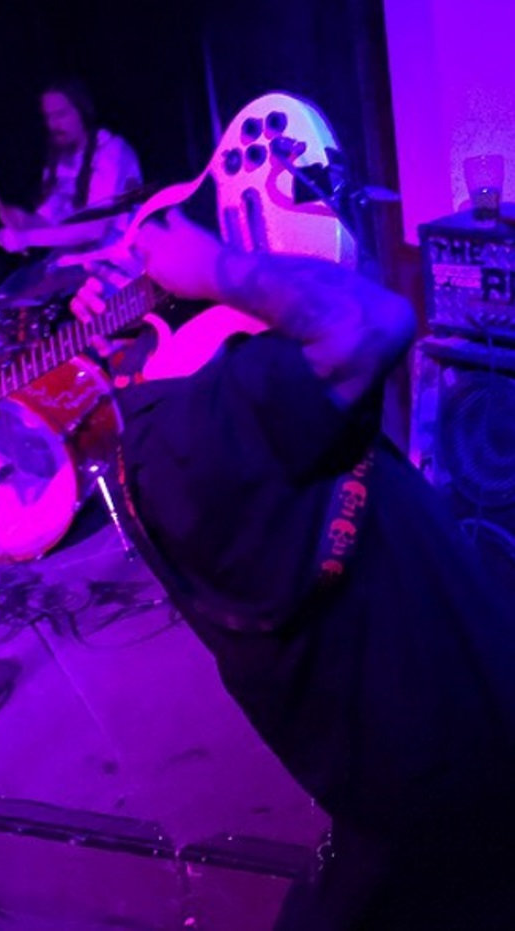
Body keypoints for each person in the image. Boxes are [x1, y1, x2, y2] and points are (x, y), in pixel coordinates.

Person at [70, 210, 515, 930]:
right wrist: (213, 269)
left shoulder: (161, 458)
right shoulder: (208, 422)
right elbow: (370, 320)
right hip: (466, 771)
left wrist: (132, 330)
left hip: (390, 793)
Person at [0, 78, 142, 256]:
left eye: (61, 114)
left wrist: (26, 238)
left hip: (117, 259)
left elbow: (95, 229)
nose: (53, 125)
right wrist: (22, 220)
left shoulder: (111, 152)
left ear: (83, 111)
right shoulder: (58, 160)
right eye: (48, 117)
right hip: (77, 261)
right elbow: (50, 223)